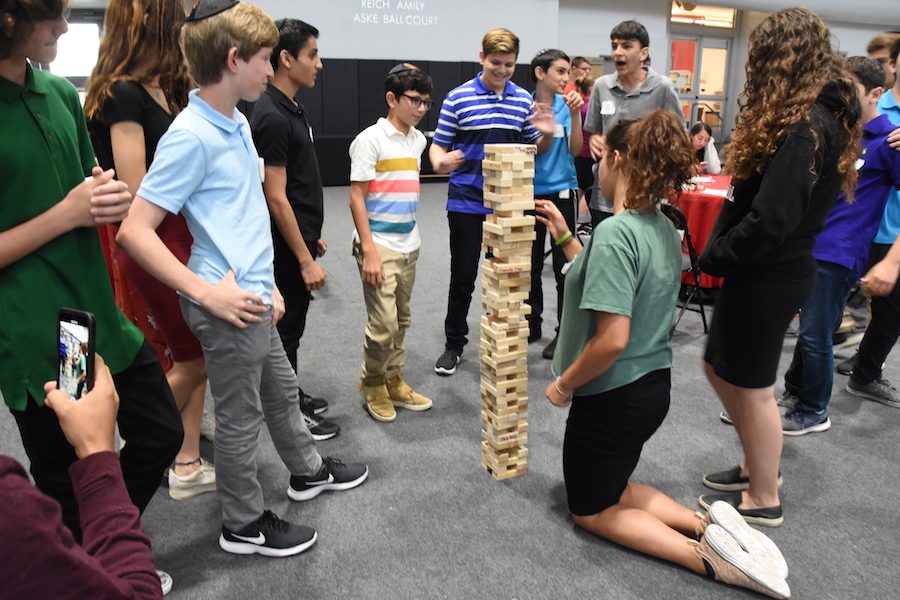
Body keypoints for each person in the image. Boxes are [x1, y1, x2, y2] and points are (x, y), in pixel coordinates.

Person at [116, 0, 368, 558]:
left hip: (252, 294)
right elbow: (134, 232)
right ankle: (243, 522)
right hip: (224, 302)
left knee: (279, 392)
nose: (267, 68)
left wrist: (269, 282)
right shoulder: (191, 134)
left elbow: (244, 211)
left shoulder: (233, 120)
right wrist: (205, 291)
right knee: (239, 419)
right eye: (261, 59)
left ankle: (306, 470)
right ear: (234, 59)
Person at [541, 112, 790, 600]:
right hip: (650, 387)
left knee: (591, 509)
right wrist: (567, 237)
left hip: (612, 394)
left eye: (599, 157)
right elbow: (610, 283)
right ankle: (707, 525)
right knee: (614, 484)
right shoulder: (660, 224)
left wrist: (564, 384)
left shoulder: (615, 232)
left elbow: (612, 339)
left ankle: (708, 558)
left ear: (615, 158)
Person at [0, 0, 183, 557]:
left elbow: (90, 192)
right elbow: (67, 211)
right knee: (72, 468)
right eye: (49, 17)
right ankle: (93, 567)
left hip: (95, 309)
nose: (62, 26)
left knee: (159, 432)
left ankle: (96, 550)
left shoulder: (57, 94)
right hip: (47, 331)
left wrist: (108, 197)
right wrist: (70, 213)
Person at [697, 8, 860, 527]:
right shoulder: (809, 119)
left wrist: (720, 254)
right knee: (719, 367)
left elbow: (772, 220)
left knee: (751, 386)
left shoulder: (807, 125)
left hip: (772, 272)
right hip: (766, 270)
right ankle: (755, 464)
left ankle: (763, 494)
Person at [83, 0, 214, 501]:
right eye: (178, 19)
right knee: (189, 357)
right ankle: (118, 462)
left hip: (176, 236)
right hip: (151, 243)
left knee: (193, 352)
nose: (186, 28)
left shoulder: (163, 89)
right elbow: (137, 190)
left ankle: (176, 457)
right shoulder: (123, 94)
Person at [777, 57, 900, 433]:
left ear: (875, 93)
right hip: (812, 243)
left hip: (840, 251)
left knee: (815, 333)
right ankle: (795, 392)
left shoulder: (890, 140)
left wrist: (892, 261)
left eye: (851, 88)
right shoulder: (840, 132)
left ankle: (814, 409)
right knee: (814, 327)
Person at [430, 27, 553, 376]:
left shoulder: (522, 101)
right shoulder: (458, 97)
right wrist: (439, 161)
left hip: (509, 204)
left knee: (510, 278)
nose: (502, 70)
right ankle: (454, 343)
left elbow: (536, 149)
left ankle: (505, 342)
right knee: (464, 276)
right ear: (481, 57)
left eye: (510, 65)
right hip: (467, 202)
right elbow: (438, 145)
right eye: (496, 62)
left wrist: (544, 132)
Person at [2, 355, 163, 599]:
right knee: (57, 477)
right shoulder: (11, 507)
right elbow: (141, 593)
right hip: (33, 369)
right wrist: (96, 452)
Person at [248, 18, 337, 439]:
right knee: (284, 331)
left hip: (296, 236)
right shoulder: (270, 116)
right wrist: (303, 257)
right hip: (283, 249)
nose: (319, 64)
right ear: (287, 59)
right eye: (312, 55)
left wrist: (309, 233)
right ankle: (286, 414)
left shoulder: (292, 108)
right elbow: (275, 196)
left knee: (293, 329)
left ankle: (288, 395)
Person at [349, 63, 434, 422]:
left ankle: (393, 379)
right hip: (378, 244)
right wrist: (368, 249)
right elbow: (356, 197)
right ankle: (371, 383)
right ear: (391, 98)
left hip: (408, 243)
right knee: (382, 324)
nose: (420, 109)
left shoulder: (418, 140)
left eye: (426, 103)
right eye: (413, 100)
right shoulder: (370, 139)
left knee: (401, 319)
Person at [843, 37, 900, 408]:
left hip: (894, 231)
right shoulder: (876, 107)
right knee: (833, 304)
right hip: (856, 224)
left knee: (892, 313)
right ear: (893, 65)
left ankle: (865, 370)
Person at [583, 20, 683, 227]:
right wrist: (594, 139)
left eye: (627, 46)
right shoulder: (602, 86)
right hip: (604, 196)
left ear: (643, 53)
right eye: (614, 46)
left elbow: (678, 137)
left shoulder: (662, 87)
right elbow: (594, 130)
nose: (618, 52)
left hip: (645, 196)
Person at [526, 48, 583, 360]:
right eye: (560, 71)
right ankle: (532, 323)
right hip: (529, 194)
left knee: (565, 268)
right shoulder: (524, 106)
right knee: (531, 265)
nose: (566, 78)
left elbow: (576, 150)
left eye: (568, 72)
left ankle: (565, 333)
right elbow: (528, 150)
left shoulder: (568, 105)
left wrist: (575, 115)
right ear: (540, 72)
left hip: (562, 194)